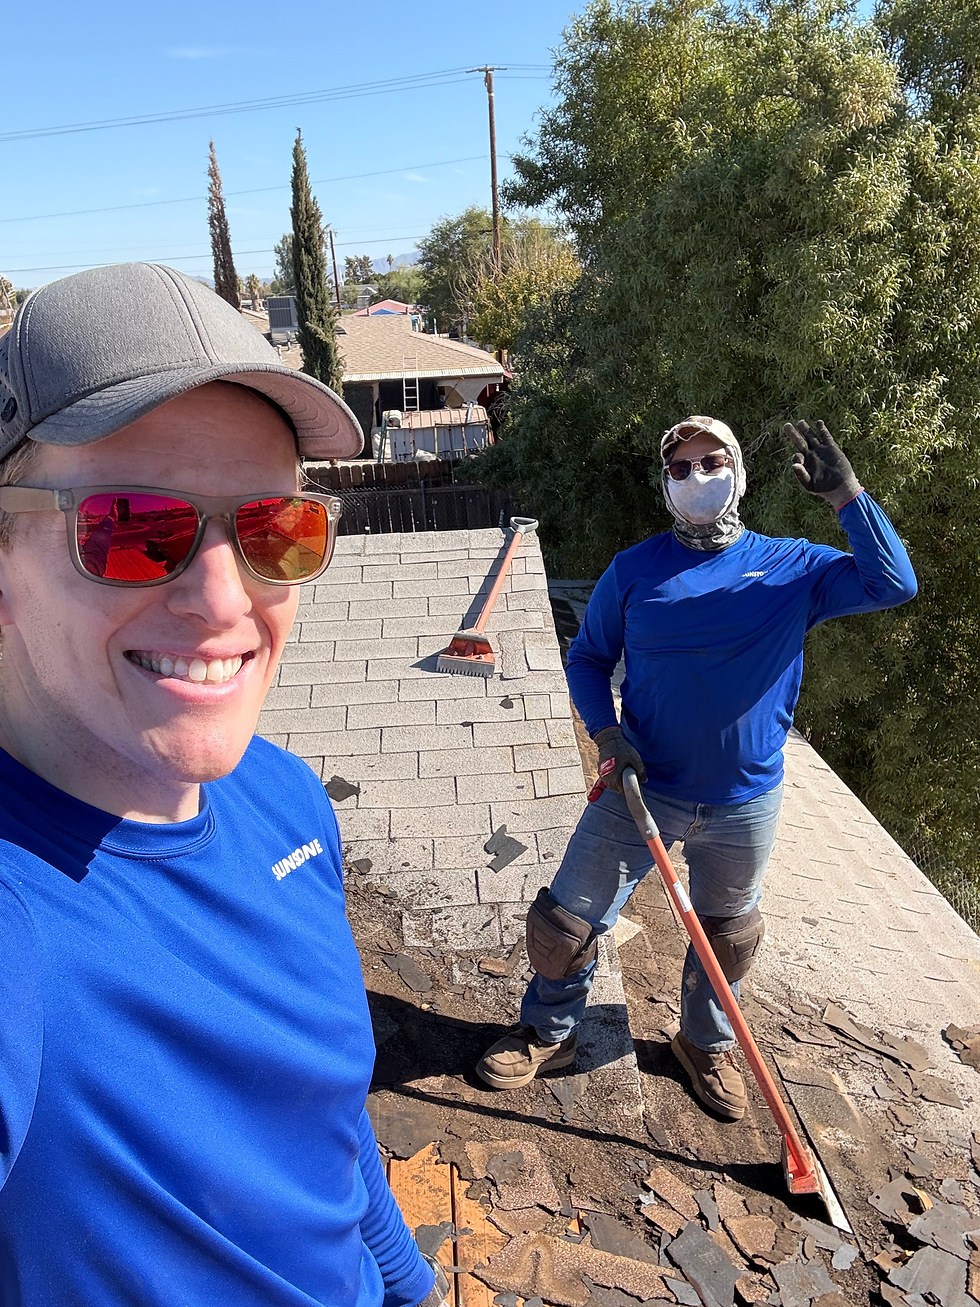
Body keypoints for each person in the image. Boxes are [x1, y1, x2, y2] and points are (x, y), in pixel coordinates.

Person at [0, 262, 447, 1307]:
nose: (222, 597)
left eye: (272, 529)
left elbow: (322, 1117)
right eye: (127, 526)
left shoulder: (284, 800)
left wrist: (408, 1283)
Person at [477, 414, 917, 1119]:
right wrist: (606, 735)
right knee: (564, 925)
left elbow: (893, 583)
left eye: (712, 462)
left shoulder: (793, 568)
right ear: (665, 484)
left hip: (745, 800)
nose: (696, 477)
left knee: (728, 938)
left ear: (738, 472)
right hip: (640, 786)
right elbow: (587, 658)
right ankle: (548, 1031)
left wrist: (848, 498)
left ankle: (703, 1043)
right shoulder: (634, 570)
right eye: (680, 468)